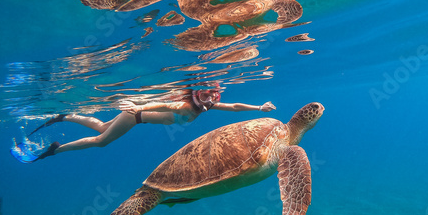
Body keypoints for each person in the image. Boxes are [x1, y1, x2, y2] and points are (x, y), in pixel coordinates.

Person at [23, 89, 276, 161]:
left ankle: (64, 116)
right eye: (206, 95)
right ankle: (56, 149)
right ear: (197, 93)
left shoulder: (205, 106)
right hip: (135, 116)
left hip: (136, 115)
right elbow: (167, 107)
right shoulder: (186, 106)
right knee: (101, 142)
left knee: (101, 128)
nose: (210, 101)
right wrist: (139, 108)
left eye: (214, 97)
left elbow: (233, 107)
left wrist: (259, 108)